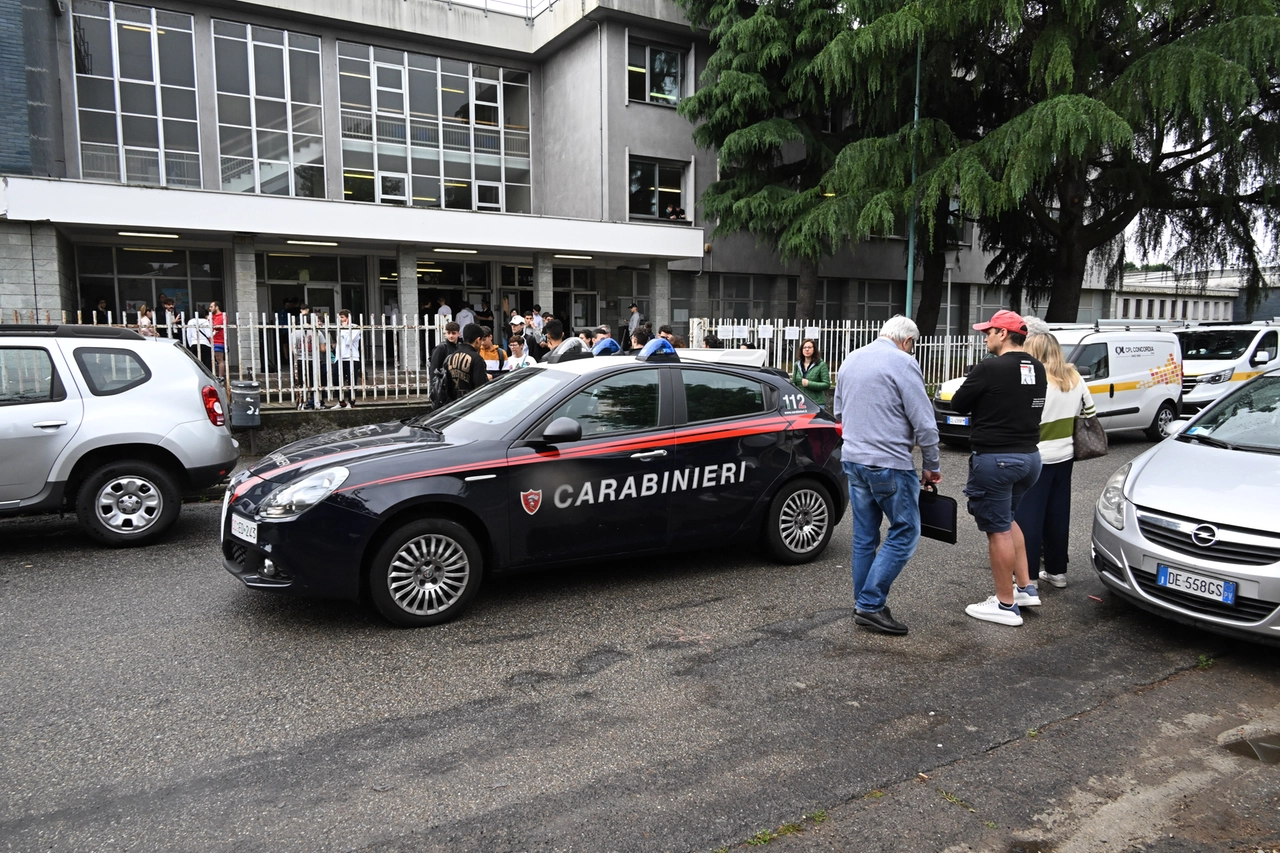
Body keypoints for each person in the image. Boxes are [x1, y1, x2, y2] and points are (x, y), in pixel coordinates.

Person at [831, 315, 942, 636]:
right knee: (905, 531)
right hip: (890, 463)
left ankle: (863, 602)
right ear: (907, 341)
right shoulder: (904, 362)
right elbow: (924, 423)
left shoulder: (851, 359)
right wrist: (931, 465)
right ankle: (869, 604)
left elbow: (839, 411)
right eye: (913, 345)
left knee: (865, 537)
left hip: (853, 459)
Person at [950, 309, 1047, 627]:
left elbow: (958, 404)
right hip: (1030, 458)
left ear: (1003, 334)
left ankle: (1005, 606)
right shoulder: (1037, 367)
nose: (985, 337)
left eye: (988, 331)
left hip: (996, 459)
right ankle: (1024, 587)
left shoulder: (990, 368)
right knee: (1009, 519)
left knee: (998, 530)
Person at [1013, 324, 1097, 589]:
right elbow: (1089, 412)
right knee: (1058, 513)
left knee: (1029, 517)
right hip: (1066, 455)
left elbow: (1022, 418)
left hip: (1037, 455)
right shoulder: (1074, 377)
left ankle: (1027, 579)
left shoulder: (1033, 380)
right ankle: (1057, 571)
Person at [446, 323, 489, 397]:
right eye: (481, 340)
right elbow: (480, 387)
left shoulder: (451, 357)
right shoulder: (476, 358)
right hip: (471, 404)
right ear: (478, 340)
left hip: (453, 404)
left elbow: (447, 386)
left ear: (463, 338)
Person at [334, 309, 362, 408]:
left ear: (347, 317)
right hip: (340, 358)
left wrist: (345, 329)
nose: (341, 320)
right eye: (340, 317)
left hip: (352, 357)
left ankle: (351, 402)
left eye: (342, 317)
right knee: (336, 380)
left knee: (351, 381)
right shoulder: (340, 327)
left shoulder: (355, 328)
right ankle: (340, 401)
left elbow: (348, 342)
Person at [792, 338, 831, 406]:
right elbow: (793, 383)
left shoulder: (821, 365)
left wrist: (809, 384)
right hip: (800, 403)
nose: (807, 349)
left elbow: (826, 384)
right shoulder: (797, 364)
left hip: (816, 403)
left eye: (809, 347)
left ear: (814, 349)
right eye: (804, 347)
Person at [208, 301, 227, 380]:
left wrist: (210, 321)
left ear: (217, 307)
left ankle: (220, 377)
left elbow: (217, 326)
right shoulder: (211, 316)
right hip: (211, 340)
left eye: (211, 306)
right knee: (211, 359)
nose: (210, 308)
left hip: (218, 340)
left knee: (219, 359)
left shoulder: (222, 315)